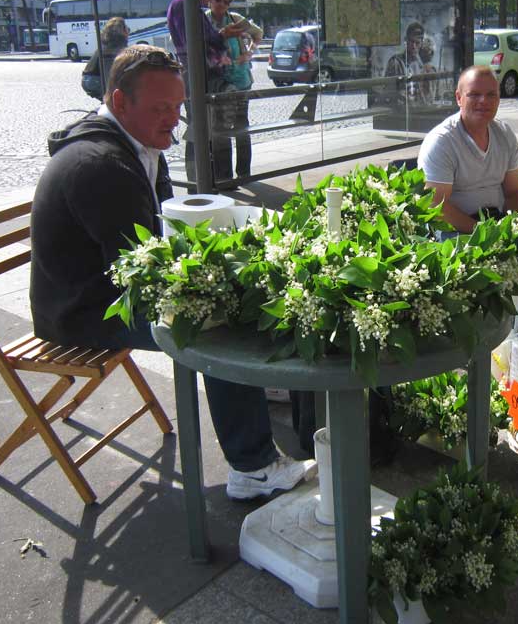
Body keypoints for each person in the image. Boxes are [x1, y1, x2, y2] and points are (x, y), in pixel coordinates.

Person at [30, 45, 312, 500]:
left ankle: (253, 383)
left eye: (178, 107)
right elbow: (144, 272)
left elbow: (157, 244)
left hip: (100, 292)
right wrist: (224, 282)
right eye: (162, 108)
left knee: (234, 296)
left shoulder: (132, 143)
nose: (174, 120)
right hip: (81, 314)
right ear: (120, 102)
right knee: (216, 324)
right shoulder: (102, 166)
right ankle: (253, 467)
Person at [418, 65, 518, 322]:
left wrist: (515, 228)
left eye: (491, 95)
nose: (484, 101)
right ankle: (483, 334)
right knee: (481, 264)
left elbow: (514, 190)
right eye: (474, 95)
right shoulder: (442, 141)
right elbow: (437, 206)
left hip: (497, 219)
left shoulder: (503, 133)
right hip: (457, 228)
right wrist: (484, 233)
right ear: (459, 98)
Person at [166, 0, 247, 181]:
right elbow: (196, 43)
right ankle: (204, 180)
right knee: (202, 131)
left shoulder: (188, 5)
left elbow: (201, 41)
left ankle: (211, 179)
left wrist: (222, 36)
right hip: (200, 78)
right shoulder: (184, 4)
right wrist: (223, 36)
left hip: (201, 76)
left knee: (208, 130)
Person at [205, 0, 263, 178]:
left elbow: (258, 34)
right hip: (219, 83)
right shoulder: (204, 21)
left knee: (241, 126)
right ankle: (224, 176)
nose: (221, 5)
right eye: (217, 0)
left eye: (225, 2)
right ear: (210, 1)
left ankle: (244, 173)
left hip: (241, 80)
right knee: (220, 128)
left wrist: (249, 53)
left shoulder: (235, 19)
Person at [81, 16, 131, 100]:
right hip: (95, 81)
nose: (128, 31)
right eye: (127, 28)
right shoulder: (117, 45)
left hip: (87, 79)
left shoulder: (106, 42)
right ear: (122, 30)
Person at [385, 22, 426, 105]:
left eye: (417, 43)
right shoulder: (396, 62)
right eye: (411, 42)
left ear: (421, 43)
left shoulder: (420, 65)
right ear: (406, 41)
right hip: (401, 110)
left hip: (417, 109)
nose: (414, 46)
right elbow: (390, 91)